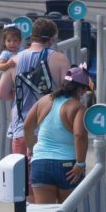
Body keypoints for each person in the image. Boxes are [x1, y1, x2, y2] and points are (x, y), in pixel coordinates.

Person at [0, 17, 71, 157]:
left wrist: (18, 94)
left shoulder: (14, 60)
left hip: (21, 129)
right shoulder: (60, 59)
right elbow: (68, 92)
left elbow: (1, 94)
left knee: (22, 175)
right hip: (52, 130)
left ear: (32, 36)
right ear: (51, 39)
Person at [22, 66, 91, 204]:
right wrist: (80, 163)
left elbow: (27, 127)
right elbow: (79, 135)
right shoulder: (78, 107)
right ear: (80, 89)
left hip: (40, 163)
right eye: (85, 90)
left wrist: (31, 148)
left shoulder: (44, 100)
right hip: (67, 165)